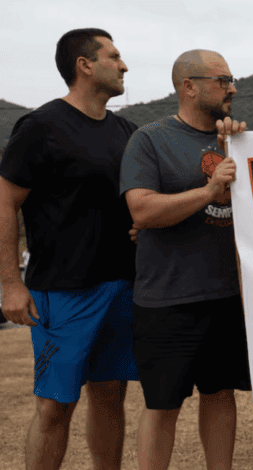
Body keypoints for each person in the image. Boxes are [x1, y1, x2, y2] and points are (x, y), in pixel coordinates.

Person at [0, 28, 137, 470]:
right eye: (114, 56)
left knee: (111, 397)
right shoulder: (40, 126)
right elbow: (6, 203)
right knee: (56, 407)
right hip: (62, 291)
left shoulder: (125, 131)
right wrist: (10, 284)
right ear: (85, 65)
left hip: (121, 285)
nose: (124, 65)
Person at [120, 49, 250, 470]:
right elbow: (142, 211)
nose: (232, 87)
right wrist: (209, 192)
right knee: (162, 406)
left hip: (227, 295)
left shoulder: (238, 139)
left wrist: (243, 146)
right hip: (166, 299)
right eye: (222, 79)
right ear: (188, 86)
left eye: (232, 79)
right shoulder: (150, 139)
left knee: (220, 393)